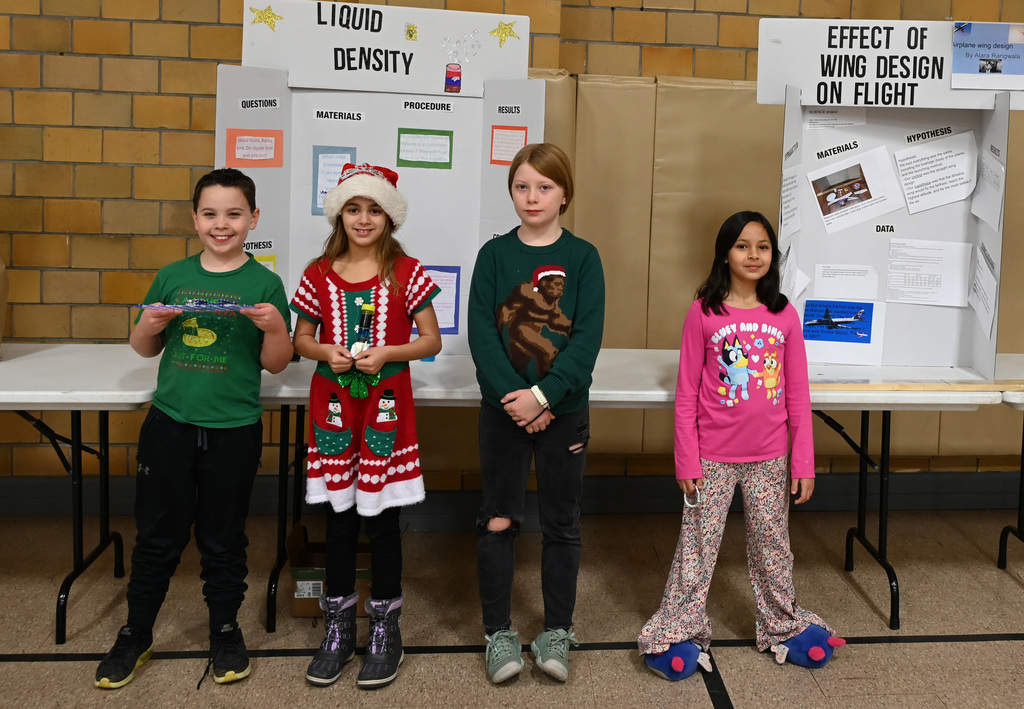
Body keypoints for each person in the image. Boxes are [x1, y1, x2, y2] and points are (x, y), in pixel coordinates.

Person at [95, 168, 293, 689]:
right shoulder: (173, 275)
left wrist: (276, 328)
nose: (221, 224)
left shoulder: (266, 284)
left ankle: (225, 631)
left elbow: (276, 363)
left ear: (253, 219)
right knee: (156, 537)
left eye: (233, 214)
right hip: (170, 426)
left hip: (234, 429)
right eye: (210, 214)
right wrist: (147, 326)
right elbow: (144, 348)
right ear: (195, 218)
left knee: (224, 539)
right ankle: (137, 632)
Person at [637, 211, 842, 681]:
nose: (753, 255)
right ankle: (677, 628)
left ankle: (783, 625)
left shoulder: (784, 314)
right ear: (725, 254)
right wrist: (685, 458)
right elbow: (687, 393)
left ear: (773, 255)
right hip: (710, 457)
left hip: (770, 457)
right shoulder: (704, 312)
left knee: (773, 545)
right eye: (742, 246)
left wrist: (803, 463)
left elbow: (797, 395)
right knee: (697, 547)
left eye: (763, 247)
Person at [290, 163, 441, 689]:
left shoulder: (407, 272)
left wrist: (388, 353)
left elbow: (431, 340)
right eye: (353, 208)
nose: (363, 218)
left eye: (374, 209)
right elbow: (301, 339)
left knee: (381, 523)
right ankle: (337, 627)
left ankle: (384, 626)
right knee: (338, 522)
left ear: (389, 217)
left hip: (385, 407)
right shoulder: (317, 272)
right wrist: (324, 351)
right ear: (339, 214)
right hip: (334, 406)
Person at [468, 143, 605, 684]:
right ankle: (497, 633)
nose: (532, 197)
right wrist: (518, 400)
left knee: (561, 524)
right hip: (503, 412)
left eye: (544, 187)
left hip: (563, 414)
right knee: (498, 519)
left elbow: (586, 340)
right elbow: (482, 335)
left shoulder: (584, 258)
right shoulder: (494, 255)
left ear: (564, 194)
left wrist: (544, 397)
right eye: (522, 186)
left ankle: (557, 631)